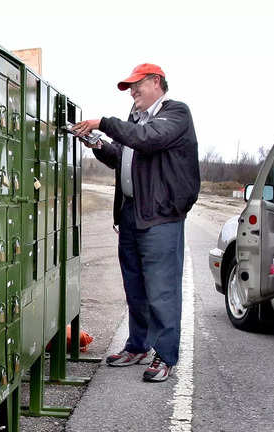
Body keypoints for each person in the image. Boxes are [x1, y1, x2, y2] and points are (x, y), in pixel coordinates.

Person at [72, 63, 200, 382]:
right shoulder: (137, 119)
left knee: (161, 290)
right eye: (130, 88)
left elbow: (148, 139)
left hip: (160, 216)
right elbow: (123, 157)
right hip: (131, 214)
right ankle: (138, 346)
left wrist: (103, 122)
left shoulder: (175, 114)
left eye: (137, 85)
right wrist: (98, 143)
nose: (132, 92)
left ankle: (166, 355)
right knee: (135, 288)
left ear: (156, 82)